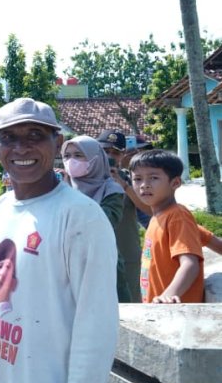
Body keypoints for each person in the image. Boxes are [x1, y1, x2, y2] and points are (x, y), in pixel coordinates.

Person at [0, 97, 118, 383]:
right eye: (9, 138)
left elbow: (97, 322)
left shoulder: (80, 217)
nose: (21, 148)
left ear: (56, 142)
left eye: (35, 135)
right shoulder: (1, 209)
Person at [129, 149, 215, 303]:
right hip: (158, 308)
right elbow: (212, 241)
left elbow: (189, 264)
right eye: (137, 179)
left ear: (175, 183)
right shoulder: (158, 216)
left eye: (153, 178)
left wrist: (168, 295)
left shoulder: (177, 217)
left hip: (175, 312)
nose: (144, 185)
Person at [61, 135, 131, 302]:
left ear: (96, 159)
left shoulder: (111, 189)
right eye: (67, 156)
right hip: (66, 266)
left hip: (102, 263)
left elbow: (105, 221)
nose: (71, 161)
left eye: (78, 155)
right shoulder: (61, 189)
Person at [97, 129, 145, 302]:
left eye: (115, 152)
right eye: (105, 151)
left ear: (122, 155)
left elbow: (148, 212)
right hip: (93, 257)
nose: (110, 156)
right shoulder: (81, 179)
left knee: (131, 306)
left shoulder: (133, 180)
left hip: (127, 256)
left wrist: (123, 184)